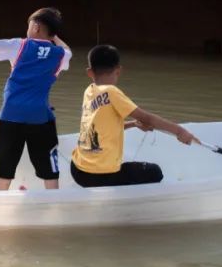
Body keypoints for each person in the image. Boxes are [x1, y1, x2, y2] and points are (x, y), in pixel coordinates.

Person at [0, 8, 72, 191]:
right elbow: (67, 49)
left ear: (36, 27)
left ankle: (1, 198)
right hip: (40, 117)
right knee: (48, 164)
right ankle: (53, 200)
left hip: (11, 114)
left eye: (29, 25)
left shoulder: (19, 45)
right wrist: (53, 37)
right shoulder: (60, 55)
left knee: (5, 163)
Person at [70, 44, 199, 188]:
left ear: (89, 72)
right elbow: (147, 118)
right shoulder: (111, 92)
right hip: (99, 176)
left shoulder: (89, 91)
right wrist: (180, 131)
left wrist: (133, 123)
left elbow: (98, 129)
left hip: (77, 169)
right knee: (154, 172)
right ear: (118, 70)